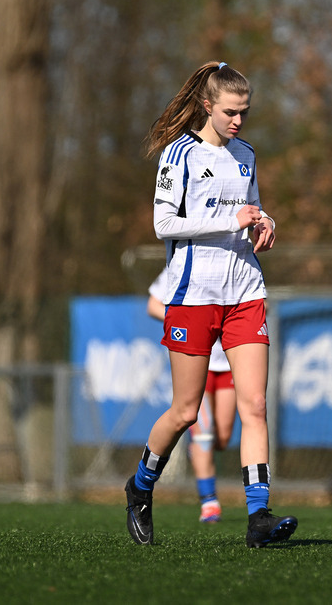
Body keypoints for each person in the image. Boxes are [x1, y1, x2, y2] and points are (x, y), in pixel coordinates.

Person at [124, 61, 297, 548]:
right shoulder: (178, 155)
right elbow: (164, 225)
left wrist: (264, 221)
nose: (238, 121)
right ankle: (140, 487)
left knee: (255, 405)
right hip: (193, 297)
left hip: (244, 291)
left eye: (244, 112)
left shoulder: (245, 155)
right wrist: (230, 219)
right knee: (184, 411)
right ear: (206, 106)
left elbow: (250, 208)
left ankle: (259, 517)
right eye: (230, 112)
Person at [148, 272, 237, 523]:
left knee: (222, 438)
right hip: (199, 362)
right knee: (205, 436)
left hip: (229, 363)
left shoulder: (232, 260)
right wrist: (187, 322)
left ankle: (197, 449)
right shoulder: (182, 262)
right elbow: (153, 304)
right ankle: (209, 503)